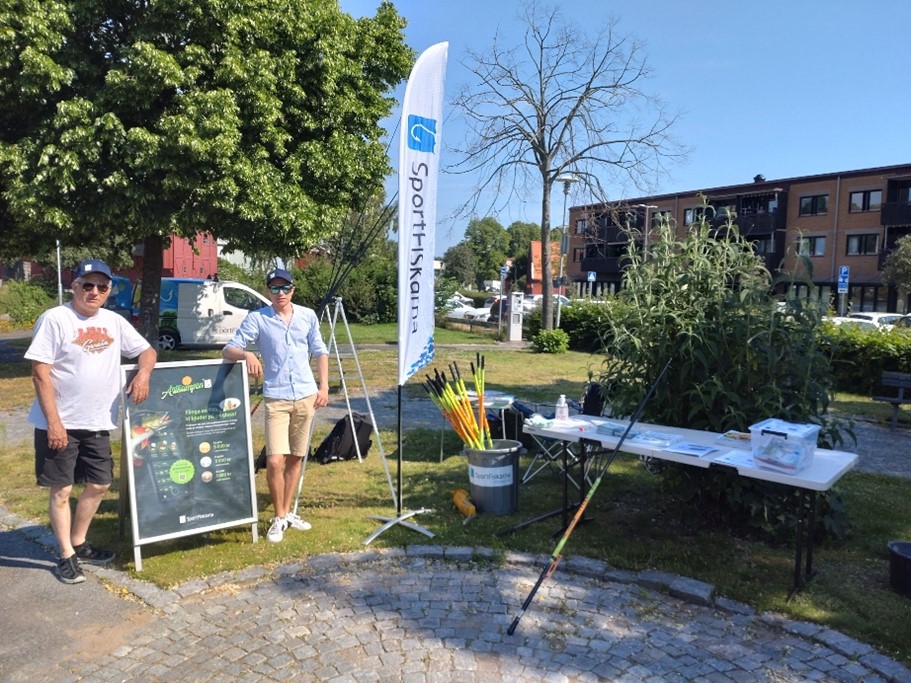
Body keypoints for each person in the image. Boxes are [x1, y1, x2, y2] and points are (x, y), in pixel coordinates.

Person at [26, 259, 157, 584]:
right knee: (62, 489)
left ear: (109, 290)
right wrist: (54, 423)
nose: (94, 291)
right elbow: (40, 373)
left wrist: (143, 373)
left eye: (102, 286)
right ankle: (66, 556)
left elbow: (147, 351)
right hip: (59, 423)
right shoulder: (55, 319)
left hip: (98, 421)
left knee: (99, 484)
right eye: (88, 285)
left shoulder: (114, 322)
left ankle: (79, 542)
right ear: (75, 286)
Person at [222, 268, 329, 543]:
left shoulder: (307, 316)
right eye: (274, 289)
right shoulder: (258, 318)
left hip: (306, 395)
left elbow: (320, 351)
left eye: (285, 288)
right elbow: (228, 349)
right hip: (277, 398)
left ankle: (286, 511)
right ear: (268, 291)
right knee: (273, 460)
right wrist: (247, 354)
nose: (280, 293)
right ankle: (279, 518)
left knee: (296, 457)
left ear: (293, 289)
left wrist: (324, 386)